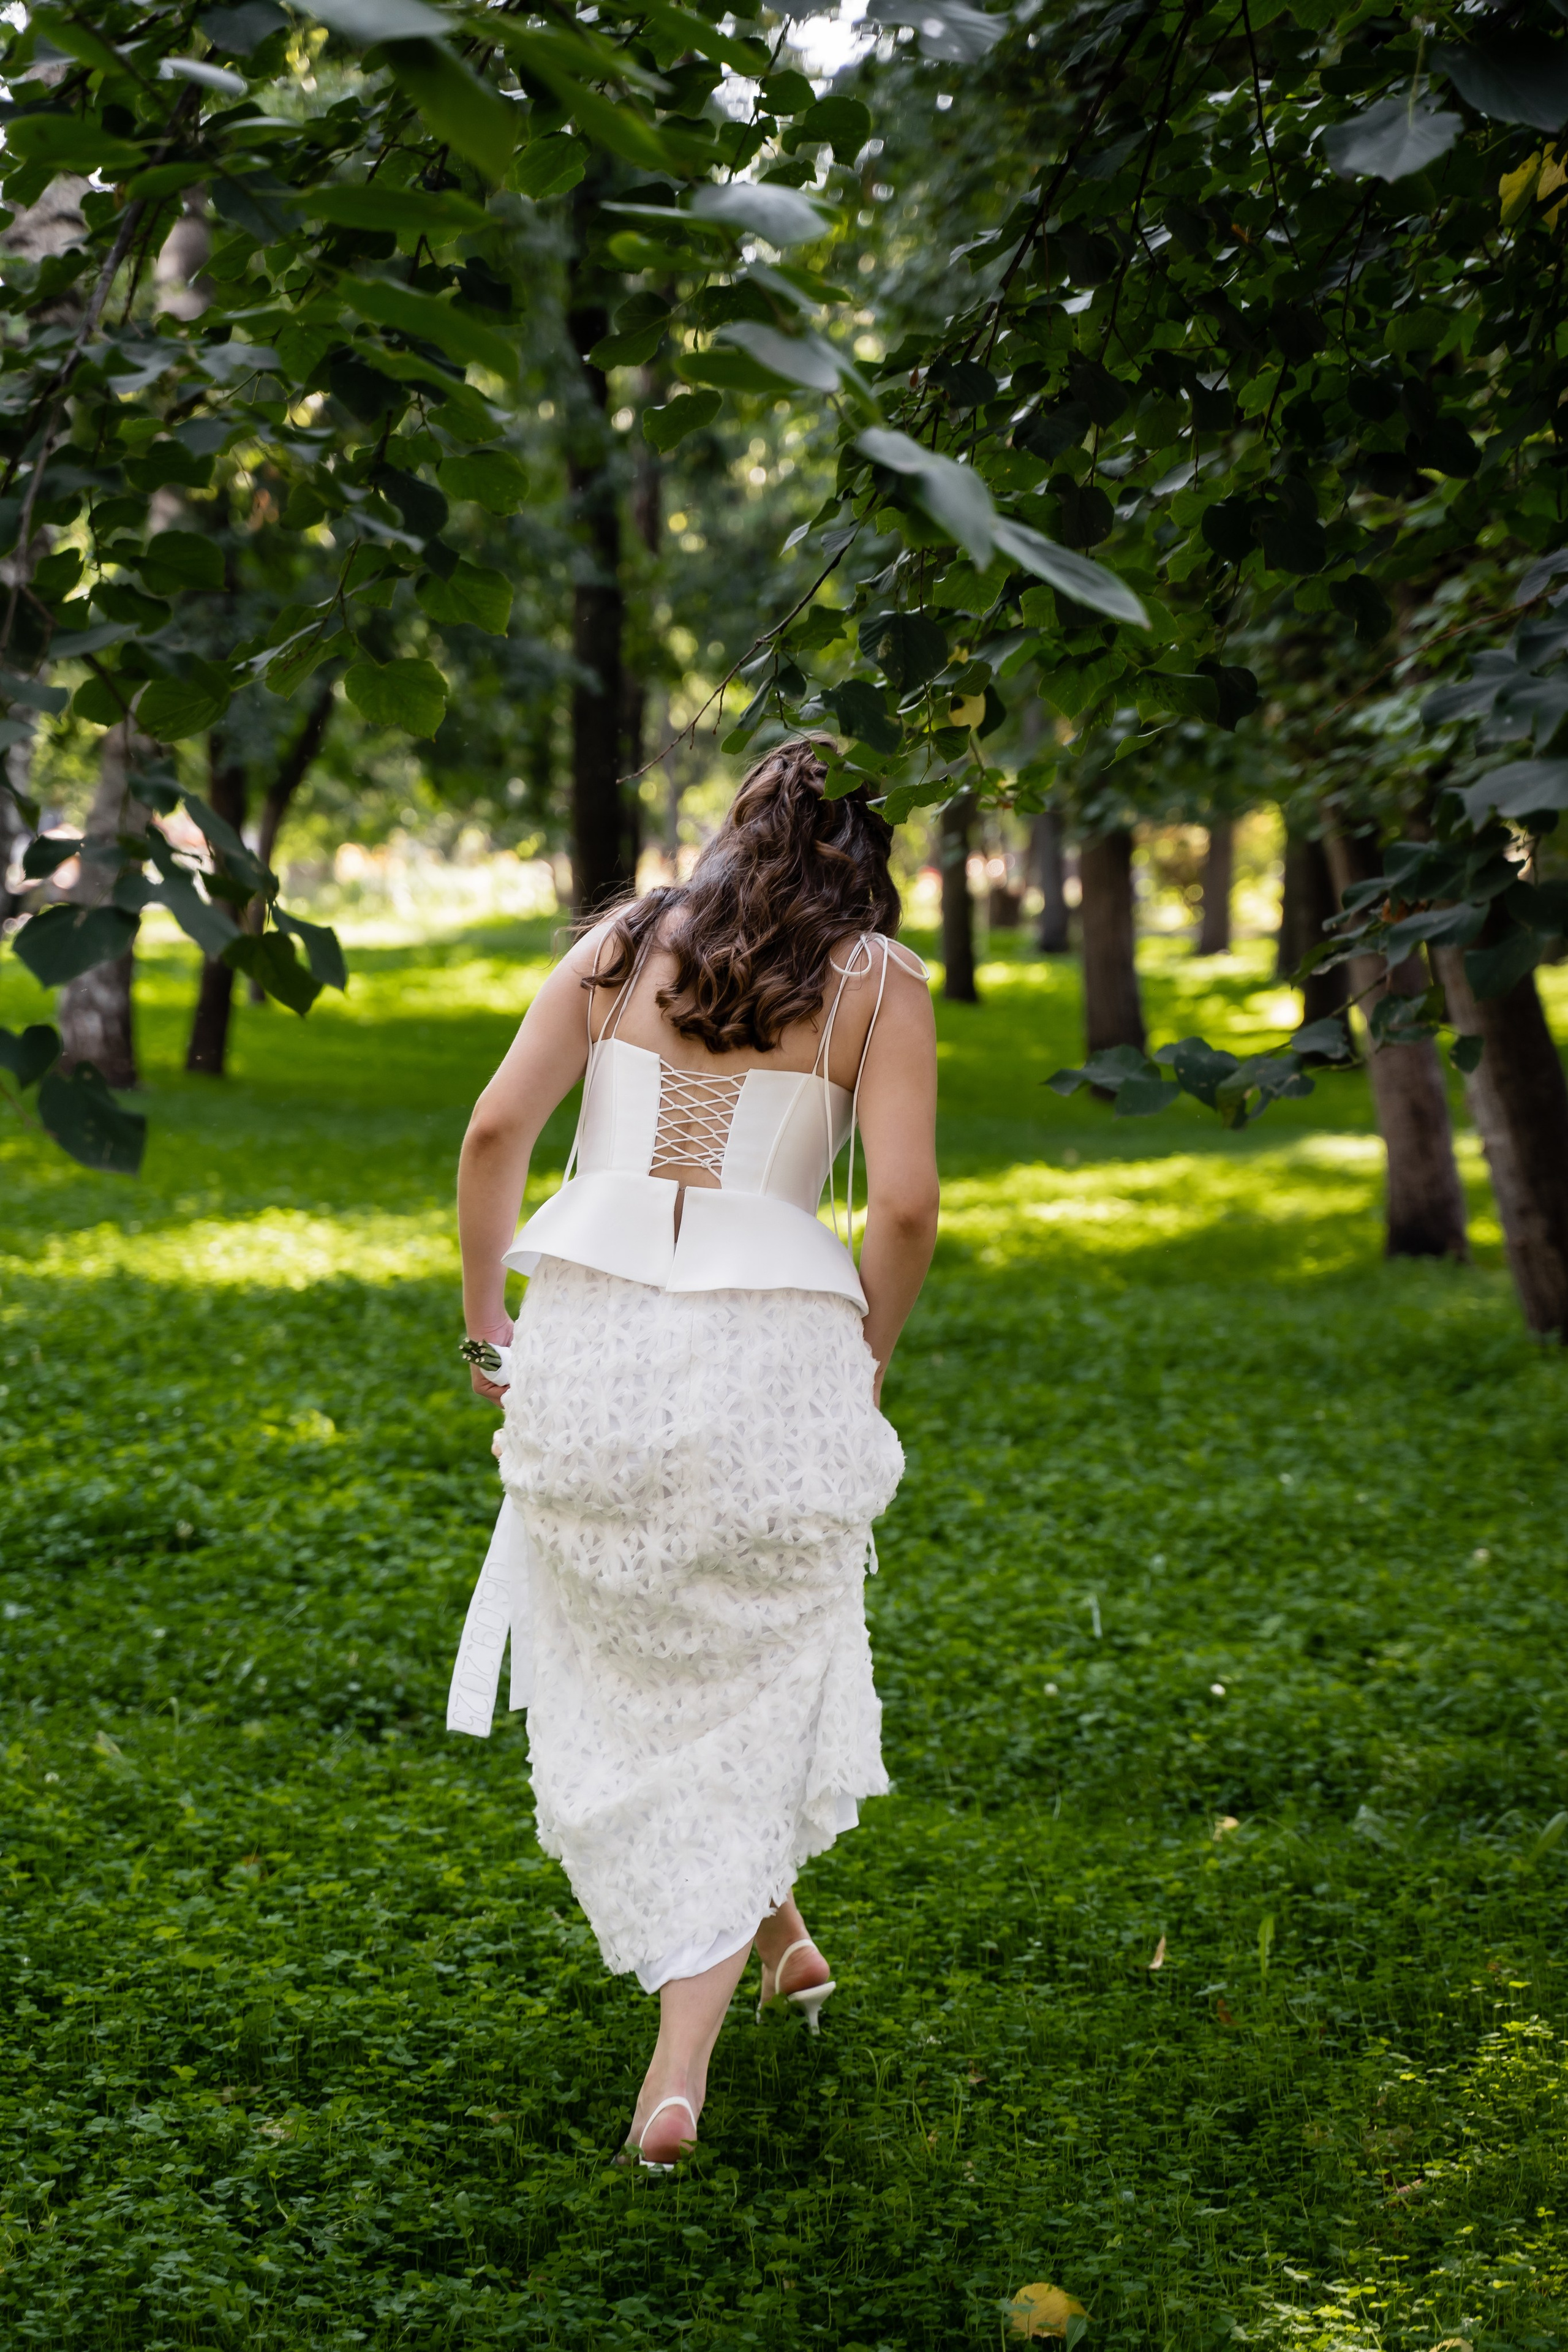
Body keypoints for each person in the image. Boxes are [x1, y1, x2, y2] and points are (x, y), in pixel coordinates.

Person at [449, 737, 940, 2170]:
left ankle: (779, 1938)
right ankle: (678, 2068)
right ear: (872, 845)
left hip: (586, 1354)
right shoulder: (876, 986)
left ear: (740, 824)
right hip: (770, 1359)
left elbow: (493, 1132)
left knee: (654, 1666)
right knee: (760, 1663)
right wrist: (866, 1359)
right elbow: (898, 1211)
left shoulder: (618, 945)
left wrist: (490, 1335)